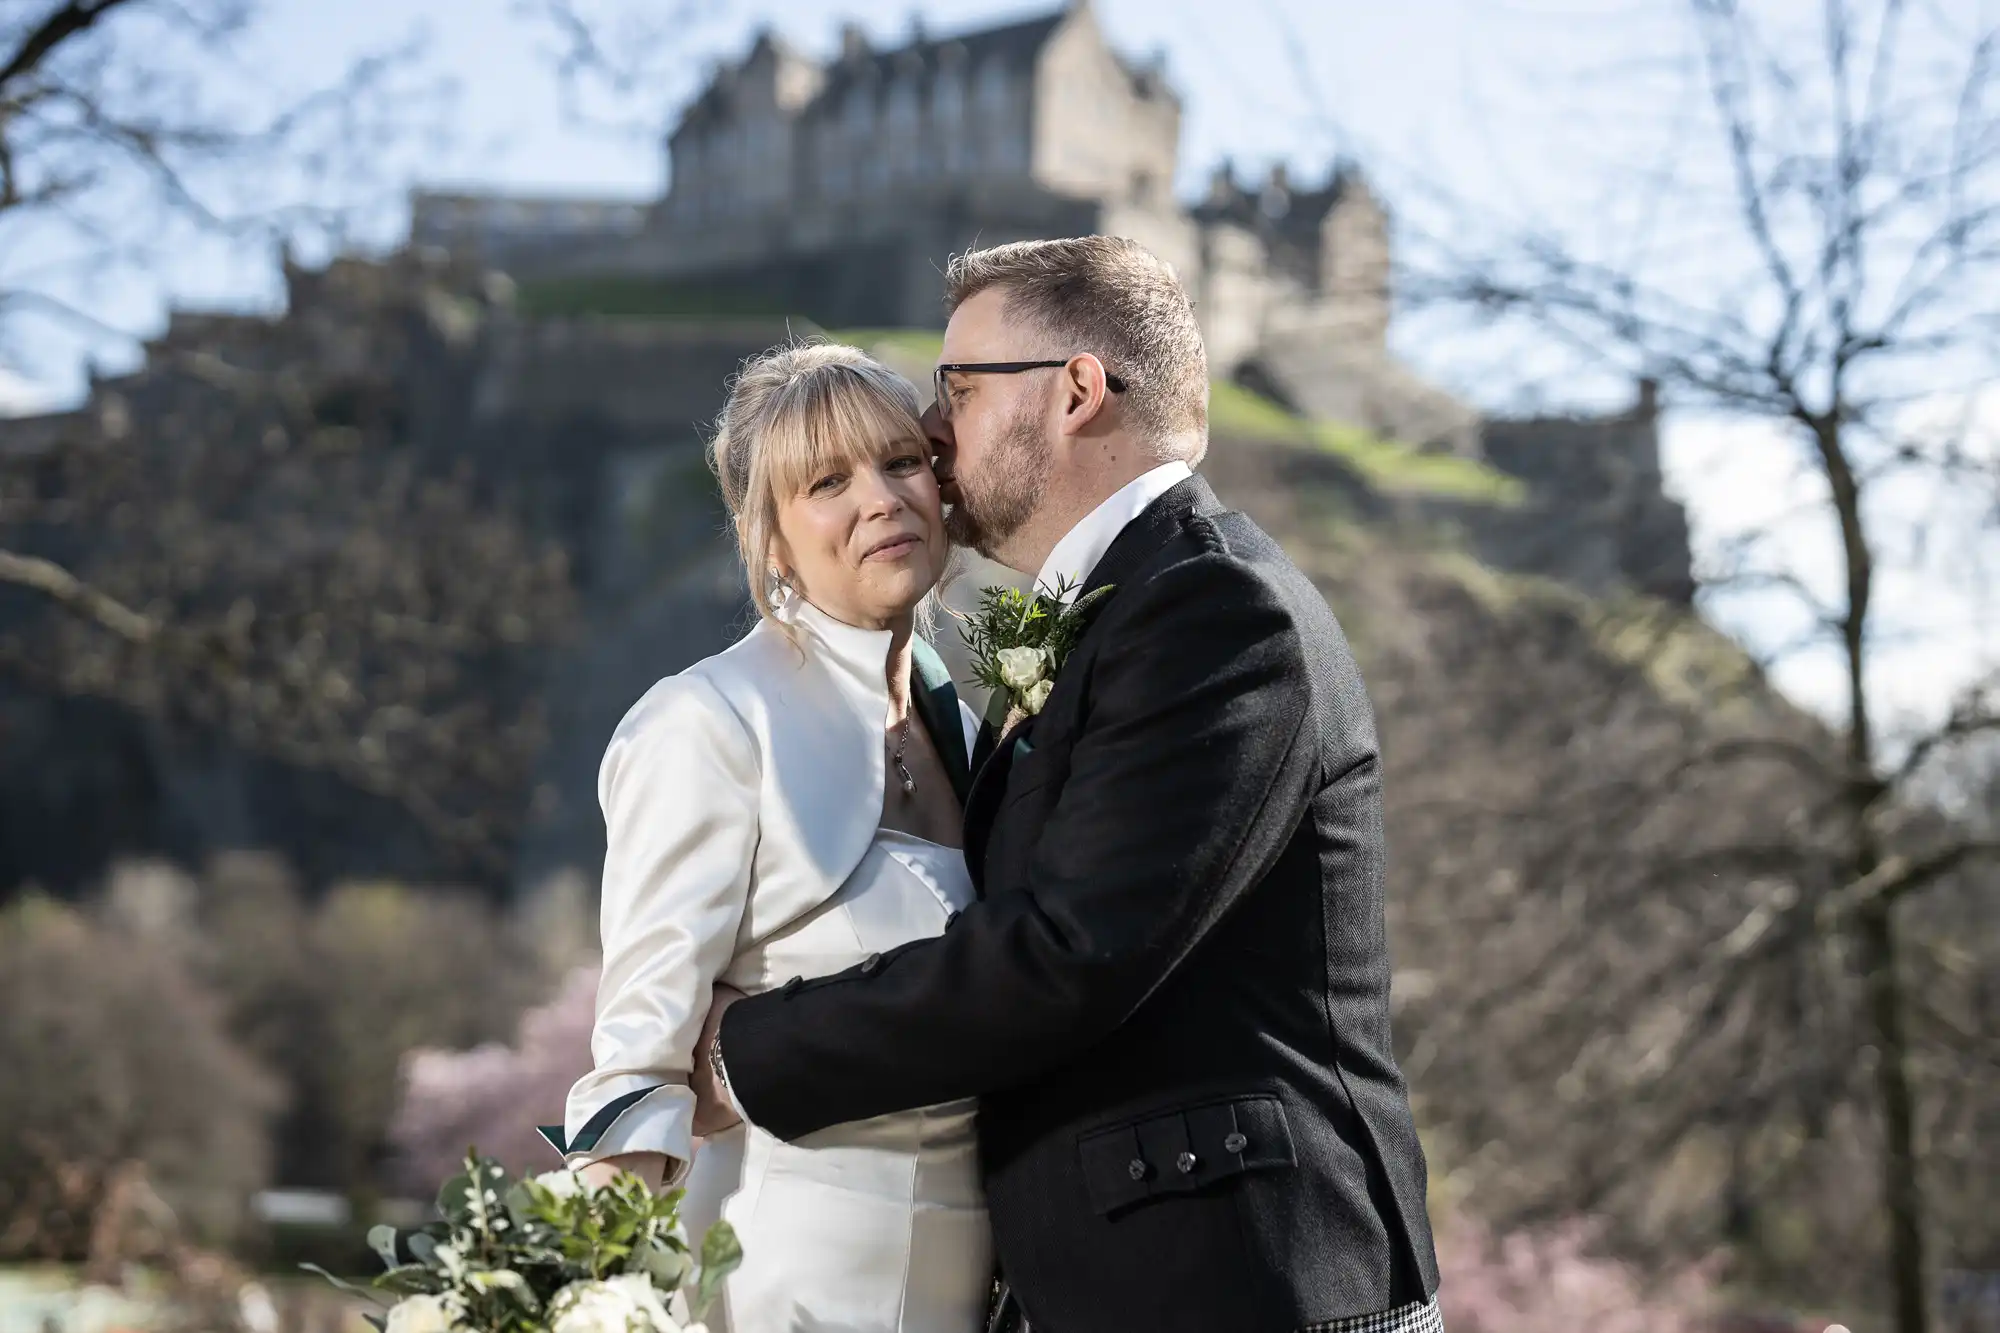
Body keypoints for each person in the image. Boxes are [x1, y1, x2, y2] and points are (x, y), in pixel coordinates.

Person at [692, 236, 1443, 1333]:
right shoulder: (1127, 605)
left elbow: (1066, 954)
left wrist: (739, 1052)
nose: (930, 430)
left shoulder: (1215, 612)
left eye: (957, 388)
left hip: (1242, 1292)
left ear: (1077, 391)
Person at [545, 342, 993, 1332]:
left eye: (899, 462)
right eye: (826, 482)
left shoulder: (971, 726)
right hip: (775, 1283)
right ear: (770, 540)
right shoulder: (706, 723)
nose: (878, 499)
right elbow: (638, 1058)